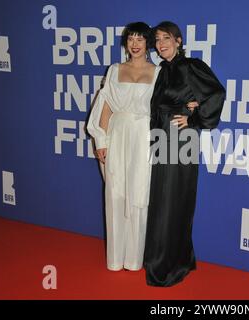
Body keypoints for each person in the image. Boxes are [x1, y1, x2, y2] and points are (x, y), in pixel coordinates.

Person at [143, 21, 226, 286]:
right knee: (163, 199)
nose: (161, 44)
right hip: (162, 136)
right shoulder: (162, 70)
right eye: (157, 40)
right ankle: (175, 257)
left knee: (173, 199)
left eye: (166, 38)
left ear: (179, 41)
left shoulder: (192, 66)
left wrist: (194, 119)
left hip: (181, 138)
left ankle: (168, 265)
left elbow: (215, 94)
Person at [87, 22, 160, 271]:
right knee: (116, 192)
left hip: (144, 137)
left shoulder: (159, 72)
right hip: (116, 135)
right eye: (131, 39)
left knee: (139, 194)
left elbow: (166, 107)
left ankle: (134, 258)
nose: (135, 44)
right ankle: (116, 259)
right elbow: (105, 106)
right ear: (125, 42)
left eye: (140, 39)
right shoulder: (115, 69)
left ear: (148, 43)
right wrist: (100, 140)